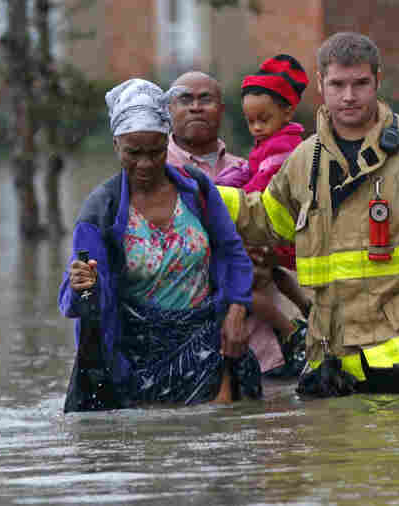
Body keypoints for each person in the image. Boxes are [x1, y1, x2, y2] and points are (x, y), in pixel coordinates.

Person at [217, 32, 399, 395]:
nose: (348, 96)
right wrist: (202, 194)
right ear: (320, 84)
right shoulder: (305, 160)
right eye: (337, 84)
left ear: (377, 81)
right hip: (337, 356)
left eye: (360, 84)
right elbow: (268, 222)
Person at [59, 78, 262, 408]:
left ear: (166, 142)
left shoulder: (195, 189)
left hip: (207, 351)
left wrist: (238, 309)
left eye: (155, 151)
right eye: (133, 153)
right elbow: (81, 300)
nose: (145, 163)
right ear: (116, 146)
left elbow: (231, 252)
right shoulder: (100, 212)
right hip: (136, 363)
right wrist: (82, 285)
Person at [166, 71, 310, 376]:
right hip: (187, 350)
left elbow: (296, 231)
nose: (195, 107)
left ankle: (297, 327)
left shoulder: (248, 167)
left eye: (205, 99)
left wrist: (270, 250)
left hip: (264, 351)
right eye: (185, 99)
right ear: (168, 110)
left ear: (222, 110)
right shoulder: (153, 171)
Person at [237, 54, 313, 374]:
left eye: (262, 119)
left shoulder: (284, 146)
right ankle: (308, 309)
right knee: (276, 274)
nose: (256, 127)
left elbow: (263, 187)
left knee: (246, 290)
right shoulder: (270, 141)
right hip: (279, 232)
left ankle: (289, 331)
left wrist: (232, 195)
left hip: (279, 230)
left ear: (287, 111)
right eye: (250, 121)